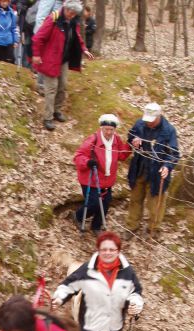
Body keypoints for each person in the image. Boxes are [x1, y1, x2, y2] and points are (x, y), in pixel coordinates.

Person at [31, 0, 93, 131]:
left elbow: (76, 36)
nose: (71, 15)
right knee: (51, 88)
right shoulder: (53, 19)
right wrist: (36, 55)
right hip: (50, 59)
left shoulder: (73, 21)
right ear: (65, 8)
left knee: (63, 86)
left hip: (63, 59)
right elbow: (38, 38)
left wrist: (84, 49)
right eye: (70, 12)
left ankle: (57, 111)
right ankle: (47, 117)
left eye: (74, 13)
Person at [126, 102, 180, 238]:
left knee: (156, 202)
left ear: (158, 117)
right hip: (139, 168)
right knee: (135, 199)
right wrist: (134, 140)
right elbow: (130, 136)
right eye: (147, 120)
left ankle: (154, 229)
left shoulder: (169, 130)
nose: (148, 123)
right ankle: (132, 226)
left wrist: (167, 166)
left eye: (151, 121)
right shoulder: (139, 124)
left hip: (157, 172)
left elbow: (173, 153)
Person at [73, 113, 131, 232]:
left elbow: (122, 155)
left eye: (111, 129)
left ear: (115, 129)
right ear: (101, 128)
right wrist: (88, 162)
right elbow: (78, 156)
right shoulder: (93, 139)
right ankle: (78, 216)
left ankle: (96, 227)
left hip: (107, 180)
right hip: (92, 179)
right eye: (106, 129)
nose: (109, 132)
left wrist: (130, 145)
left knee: (105, 205)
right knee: (94, 203)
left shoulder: (116, 139)